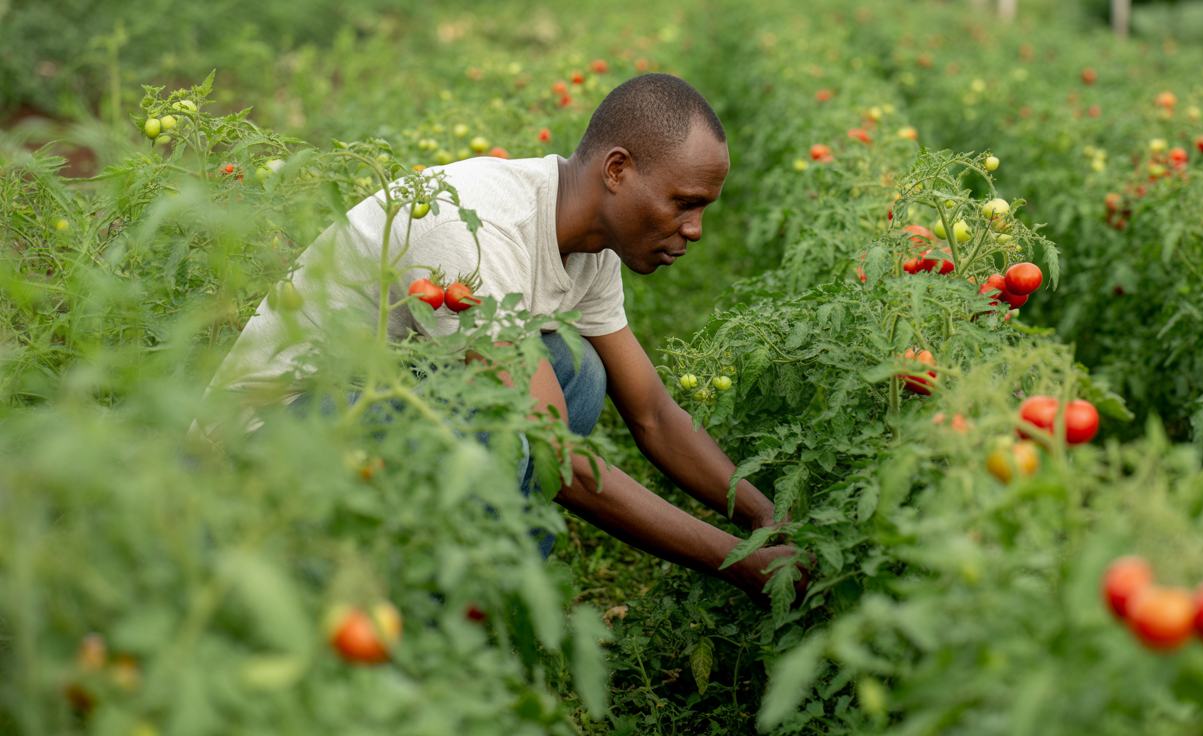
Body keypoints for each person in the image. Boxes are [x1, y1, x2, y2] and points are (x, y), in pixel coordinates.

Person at [212, 73, 807, 606]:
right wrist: (737, 563)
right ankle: (419, 614)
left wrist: (763, 517)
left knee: (578, 373)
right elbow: (556, 455)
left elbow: (652, 413)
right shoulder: (477, 227)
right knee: (510, 416)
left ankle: (478, 603)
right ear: (617, 170)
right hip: (261, 453)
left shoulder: (591, 252)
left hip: (364, 426)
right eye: (685, 203)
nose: (696, 229)